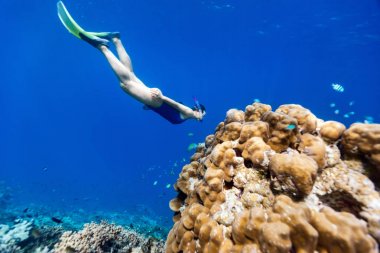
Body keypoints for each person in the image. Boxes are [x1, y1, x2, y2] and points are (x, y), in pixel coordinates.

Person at [78, 30, 206, 124]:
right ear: (197, 110)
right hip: (155, 98)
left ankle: (116, 40)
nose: (201, 117)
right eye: (202, 114)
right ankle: (102, 47)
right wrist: (161, 97)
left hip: (153, 101)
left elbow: (170, 109)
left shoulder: (187, 115)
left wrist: (150, 105)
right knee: (126, 84)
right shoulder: (189, 112)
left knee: (130, 75)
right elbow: (176, 106)